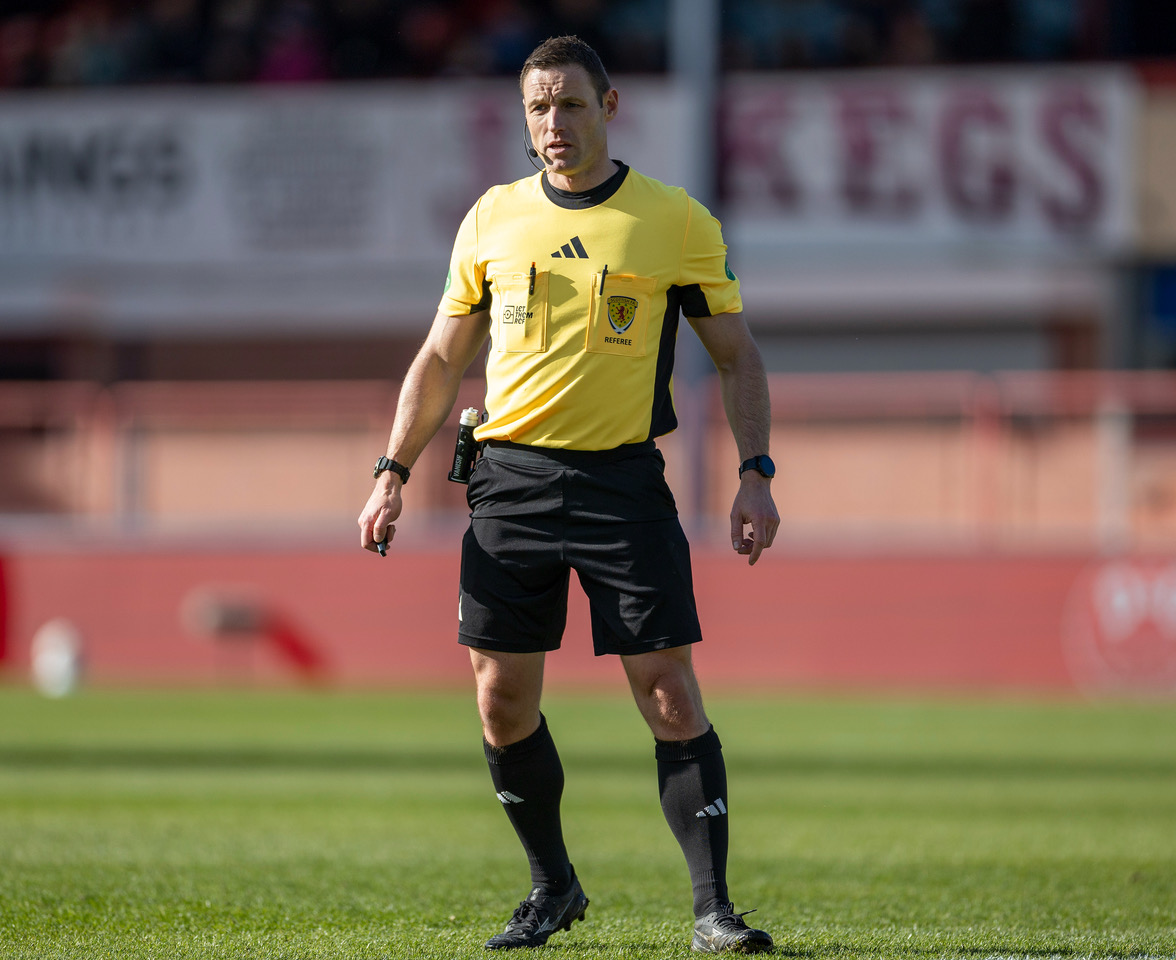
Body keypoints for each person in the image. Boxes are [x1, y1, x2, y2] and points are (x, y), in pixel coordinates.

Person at [357, 35, 779, 954]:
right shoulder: (491, 219)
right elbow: (439, 359)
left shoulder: (674, 221)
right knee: (500, 700)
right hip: (506, 482)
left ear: (610, 107)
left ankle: (712, 910)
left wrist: (756, 473)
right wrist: (392, 472)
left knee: (668, 693)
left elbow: (738, 357)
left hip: (622, 483)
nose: (554, 124)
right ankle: (552, 888)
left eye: (572, 105)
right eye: (539, 109)